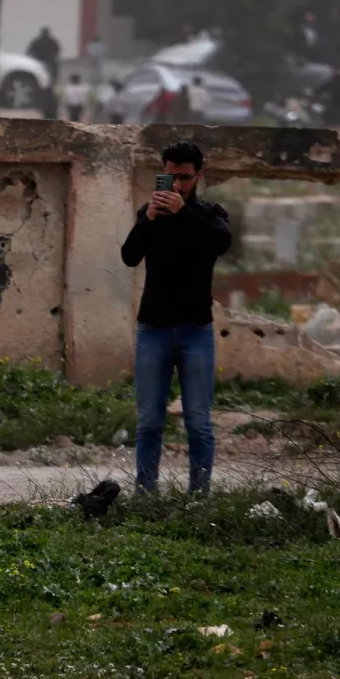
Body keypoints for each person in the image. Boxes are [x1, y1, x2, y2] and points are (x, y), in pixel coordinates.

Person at [120, 141, 231, 495]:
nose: (177, 184)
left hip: (196, 330)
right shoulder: (150, 214)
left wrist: (183, 211)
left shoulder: (210, 214)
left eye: (184, 177)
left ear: (198, 176)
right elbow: (128, 256)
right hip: (153, 328)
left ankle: (199, 495)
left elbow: (219, 243)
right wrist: (149, 219)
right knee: (149, 421)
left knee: (198, 422)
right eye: (171, 176)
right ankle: (145, 493)